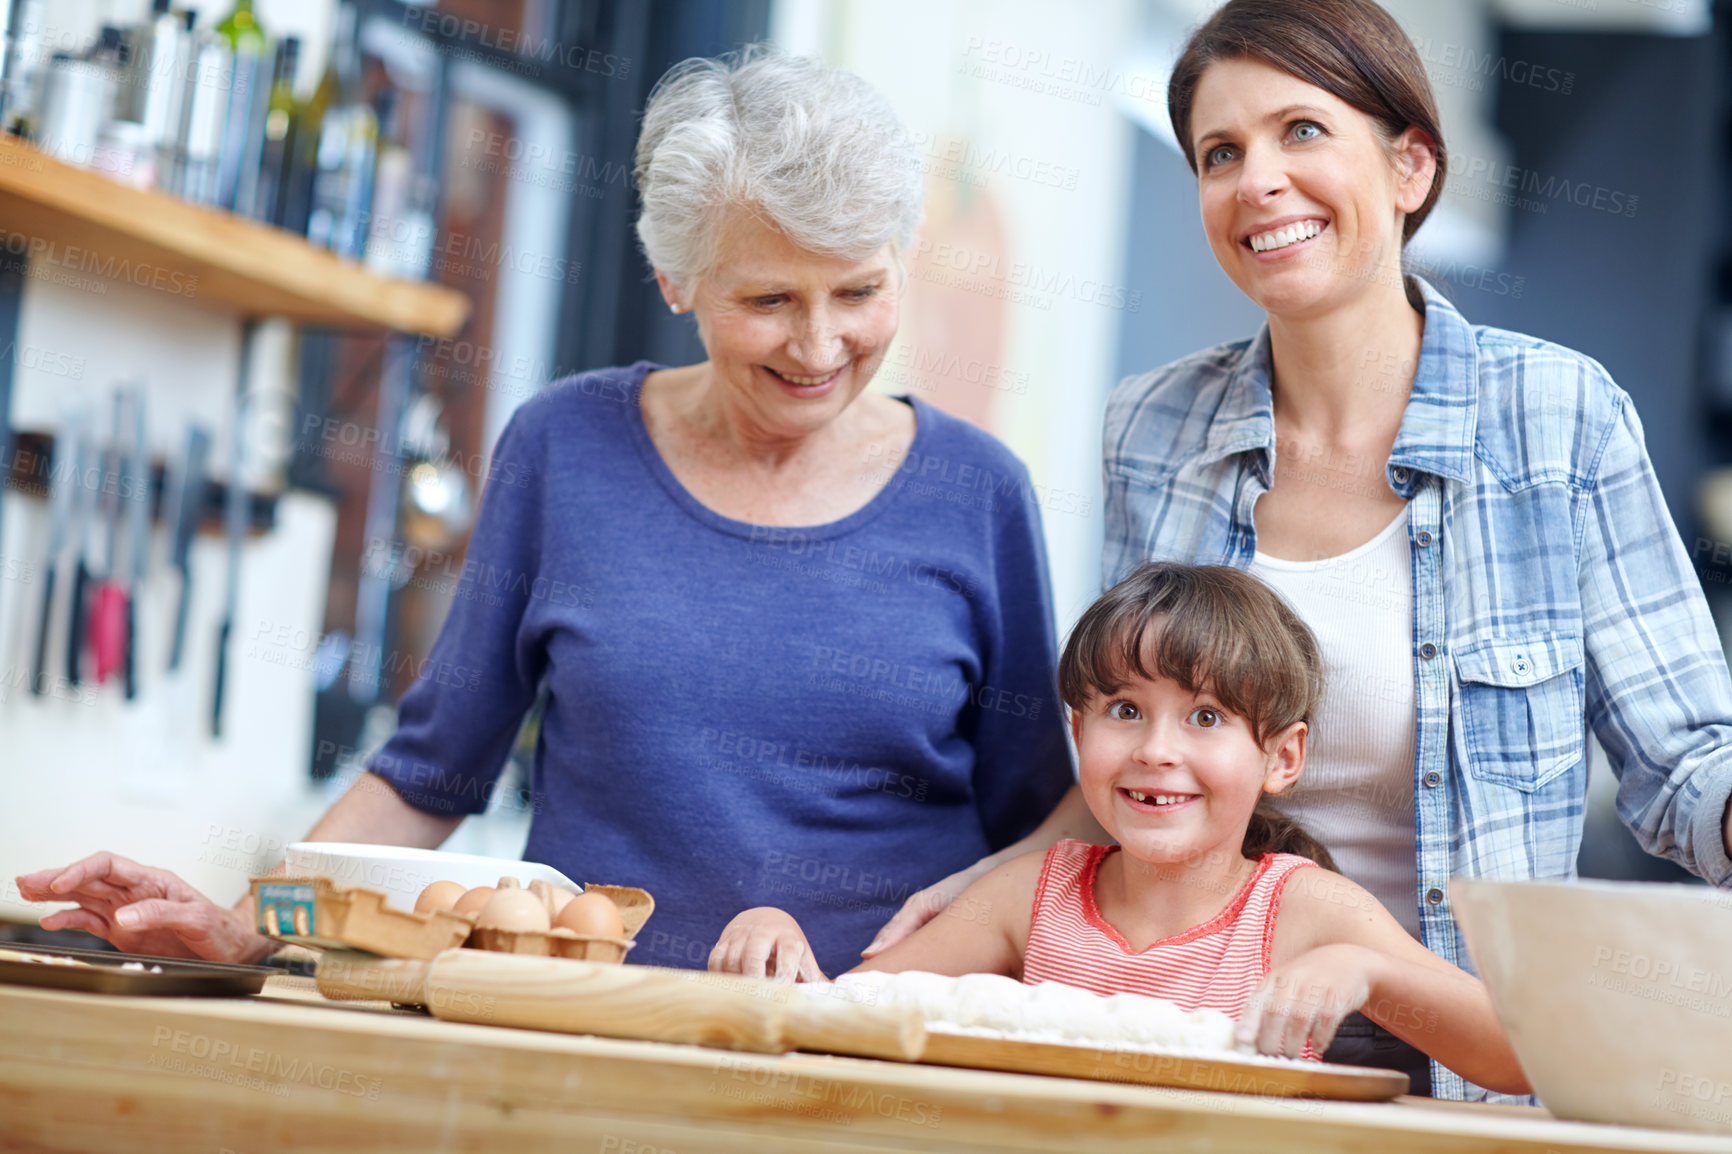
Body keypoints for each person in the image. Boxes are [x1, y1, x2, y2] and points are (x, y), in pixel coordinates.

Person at [18, 47, 1101, 978]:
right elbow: (431, 767)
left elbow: (1043, 818)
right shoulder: (564, 447)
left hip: (864, 1051)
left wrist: (913, 963)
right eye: (768, 299)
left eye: (858, 293)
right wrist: (247, 926)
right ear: (675, 279)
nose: (819, 347)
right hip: (577, 1030)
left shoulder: (977, 492)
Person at [1102, 0, 1732, 1100]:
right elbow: (1121, 760)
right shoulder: (1152, 427)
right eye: (1220, 151)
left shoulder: (1556, 415)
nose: (1256, 178)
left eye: (1301, 131)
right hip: (1201, 1051)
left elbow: (1684, 764)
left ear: (1409, 166)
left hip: (1475, 1072)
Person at [714, 564, 1531, 1093]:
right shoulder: (1031, 893)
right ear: (1078, 733)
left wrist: (1366, 970)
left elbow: (1511, 1056)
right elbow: (841, 1022)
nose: (1157, 750)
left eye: (1206, 716)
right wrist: (772, 931)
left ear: (1282, 756)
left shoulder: (1305, 912)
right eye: (1125, 711)